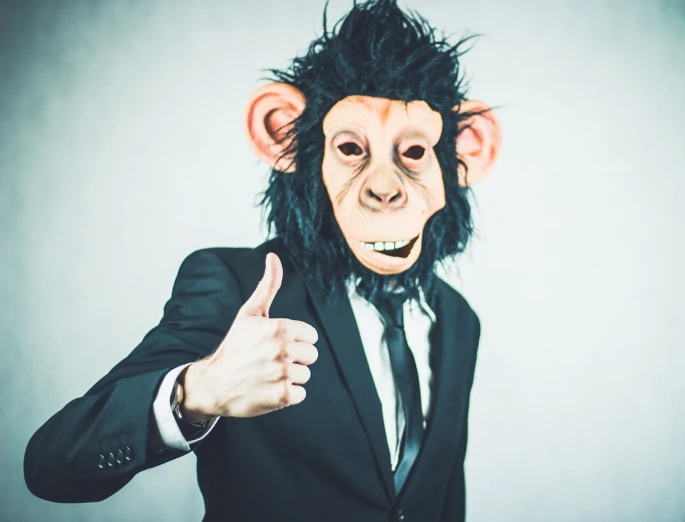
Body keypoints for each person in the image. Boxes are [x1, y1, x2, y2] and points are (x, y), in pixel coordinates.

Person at [24, 1, 502, 520]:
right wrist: (199, 390)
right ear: (281, 136)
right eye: (350, 148)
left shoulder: (458, 319)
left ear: (468, 152)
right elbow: (52, 464)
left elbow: (441, 496)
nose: (384, 187)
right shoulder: (236, 285)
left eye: (413, 152)